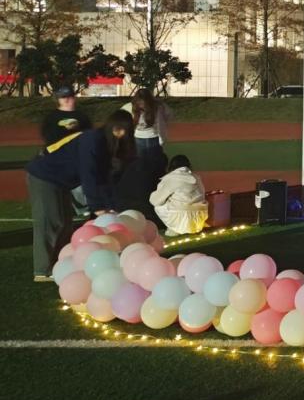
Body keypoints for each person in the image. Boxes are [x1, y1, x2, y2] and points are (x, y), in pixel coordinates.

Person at [25, 111, 132, 281]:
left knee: (64, 223)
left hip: (61, 182)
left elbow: (104, 179)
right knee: (50, 222)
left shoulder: (106, 145)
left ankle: (58, 264)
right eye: (120, 130)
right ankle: (42, 270)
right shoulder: (92, 139)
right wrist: (97, 207)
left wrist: (112, 205)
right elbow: (88, 175)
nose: (123, 135)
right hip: (44, 176)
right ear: (113, 127)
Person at [150, 155, 208, 236]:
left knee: (158, 206)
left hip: (181, 218)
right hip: (200, 218)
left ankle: (174, 229)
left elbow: (155, 201)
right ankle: (192, 227)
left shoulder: (171, 178)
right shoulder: (196, 177)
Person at [123, 89, 169, 158]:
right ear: (136, 101)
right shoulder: (129, 107)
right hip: (138, 139)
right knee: (140, 162)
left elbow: (168, 115)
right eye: (139, 103)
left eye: (144, 103)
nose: (142, 105)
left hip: (154, 138)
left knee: (154, 162)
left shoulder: (157, 106)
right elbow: (120, 117)